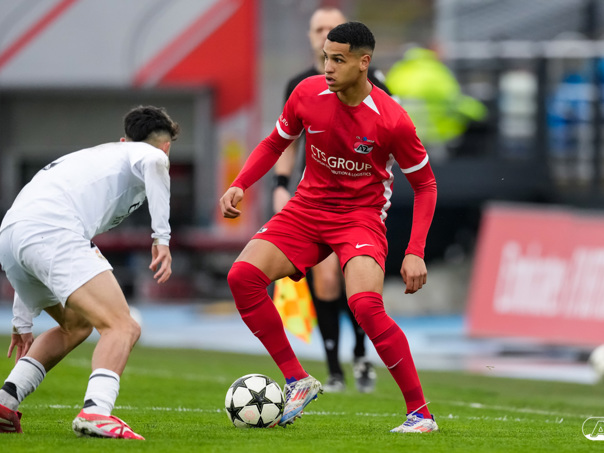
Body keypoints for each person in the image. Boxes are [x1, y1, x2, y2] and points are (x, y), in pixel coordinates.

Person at [220, 22, 439, 432]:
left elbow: (426, 185)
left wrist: (415, 251)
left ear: (363, 62)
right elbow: (275, 143)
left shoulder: (393, 120)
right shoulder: (307, 94)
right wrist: (240, 184)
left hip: (360, 218)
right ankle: (297, 379)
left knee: (365, 306)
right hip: (306, 210)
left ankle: (420, 414)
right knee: (242, 277)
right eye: (326, 58)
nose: (328, 68)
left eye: (338, 60)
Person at [0, 105, 179, 439]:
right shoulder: (151, 155)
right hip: (51, 231)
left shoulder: (96, 157)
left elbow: (33, 240)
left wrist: (21, 321)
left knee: (77, 324)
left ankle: (5, 401)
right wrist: (162, 239)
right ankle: (96, 412)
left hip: (11, 235)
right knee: (123, 325)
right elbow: (154, 161)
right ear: (167, 147)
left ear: (123, 139)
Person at [273, 6, 389, 394]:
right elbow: (286, 139)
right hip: (318, 199)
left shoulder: (374, 80)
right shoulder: (300, 84)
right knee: (324, 279)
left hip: (361, 203)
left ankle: (361, 355)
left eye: (332, 27)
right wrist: (280, 184)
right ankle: (334, 369)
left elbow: (394, 134)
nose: (325, 33)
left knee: (358, 285)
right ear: (311, 36)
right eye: (319, 29)